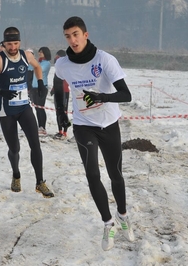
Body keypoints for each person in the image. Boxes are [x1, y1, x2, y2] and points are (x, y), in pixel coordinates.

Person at [54, 16, 134, 251]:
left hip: (108, 124)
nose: (72, 40)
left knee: (115, 174)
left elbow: (126, 94)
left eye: (76, 34)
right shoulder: (62, 64)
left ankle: (122, 215)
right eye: (68, 36)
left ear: (85, 35)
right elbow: (58, 84)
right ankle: (107, 222)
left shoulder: (105, 60)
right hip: (83, 125)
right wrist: (60, 111)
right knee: (92, 174)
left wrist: (102, 97)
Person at [0, 27, 54, 198]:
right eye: (9, 44)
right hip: (7, 112)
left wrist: (40, 82)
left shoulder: (26, 56)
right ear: (4, 44)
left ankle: (40, 182)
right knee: (15, 149)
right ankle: (16, 175)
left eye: (16, 43)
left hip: (24, 108)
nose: (13, 47)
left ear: (20, 43)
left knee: (36, 144)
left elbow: (37, 67)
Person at [30, 47, 51, 136]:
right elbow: (30, 67)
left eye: (41, 52)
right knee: (36, 108)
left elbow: (39, 69)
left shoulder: (46, 63)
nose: (39, 53)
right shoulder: (38, 62)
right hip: (34, 87)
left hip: (41, 87)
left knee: (40, 108)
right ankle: (39, 126)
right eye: (39, 52)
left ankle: (42, 126)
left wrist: (33, 62)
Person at [51, 50, 70, 140]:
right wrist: (53, 89)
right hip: (57, 91)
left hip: (64, 91)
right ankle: (60, 131)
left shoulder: (66, 69)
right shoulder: (57, 69)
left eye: (57, 57)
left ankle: (65, 131)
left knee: (64, 111)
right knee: (58, 111)